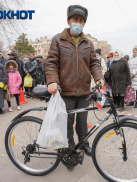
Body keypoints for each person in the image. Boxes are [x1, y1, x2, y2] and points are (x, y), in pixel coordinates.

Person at [45, 5, 104, 169]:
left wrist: (99, 77)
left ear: (84, 23)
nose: (78, 22)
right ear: (68, 21)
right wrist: (52, 81)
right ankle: (69, 152)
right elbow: (51, 63)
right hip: (66, 91)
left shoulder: (88, 43)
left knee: (82, 121)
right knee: (67, 124)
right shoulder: (58, 39)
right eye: (75, 19)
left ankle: (83, 143)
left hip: (84, 91)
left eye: (81, 20)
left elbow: (93, 63)